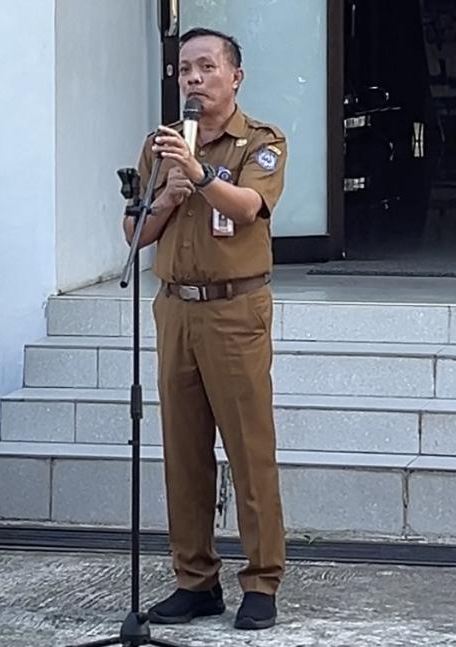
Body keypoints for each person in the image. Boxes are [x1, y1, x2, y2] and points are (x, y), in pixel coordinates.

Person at [121, 27, 287, 631]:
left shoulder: (260, 143)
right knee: (183, 453)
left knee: (248, 449)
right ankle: (195, 580)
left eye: (207, 67)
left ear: (234, 77)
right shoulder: (159, 148)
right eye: (185, 70)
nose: (193, 79)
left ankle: (262, 580)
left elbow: (247, 209)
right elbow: (135, 235)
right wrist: (168, 190)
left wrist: (200, 173)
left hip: (235, 311)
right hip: (175, 308)